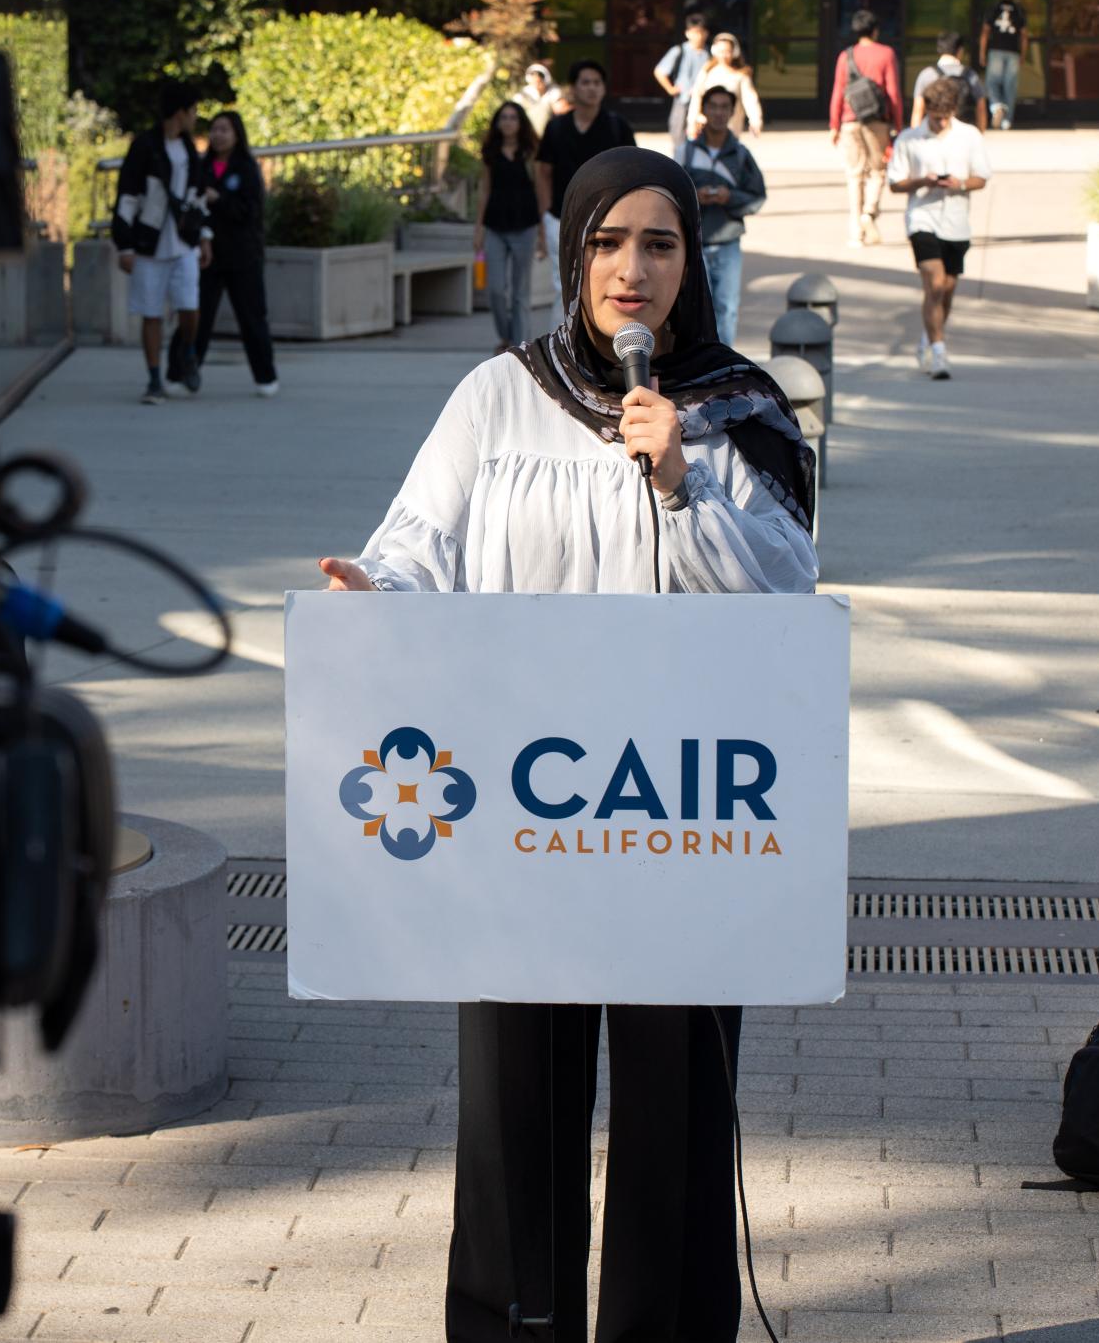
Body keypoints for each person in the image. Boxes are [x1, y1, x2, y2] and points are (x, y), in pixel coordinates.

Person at [316, 145, 816, 1342]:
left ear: (692, 262)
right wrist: (374, 595)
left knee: (673, 1110)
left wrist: (682, 485)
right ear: (570, 254)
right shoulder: (500, 395)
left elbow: (790, 594)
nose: (631, 270)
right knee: (515, 1104)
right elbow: (420, 539)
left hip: (677, 812)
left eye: (659, 244)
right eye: (606, 243)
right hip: (523, 815)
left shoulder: (738, 405)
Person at [112, 79, 214, 405]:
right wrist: (125, 246)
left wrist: (205, 236)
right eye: (193, 110)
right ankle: (154, 379)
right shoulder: (145, 146)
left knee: (190, 307)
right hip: (149, 244)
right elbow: (127, 196)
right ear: (180, 112)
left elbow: (198, 194)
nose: (196, 117)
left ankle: (187, 352)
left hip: (184, 242)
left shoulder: (188, 149)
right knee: (151, 312)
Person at [888, 76, 992, 380]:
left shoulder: (969, 136)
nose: (941, 122)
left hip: (957, 221)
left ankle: (928, 339)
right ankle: (939, 351)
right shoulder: (909, 138)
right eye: (936, 117)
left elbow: (982, 177)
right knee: (933, 284)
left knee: (946, 290)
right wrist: (923, 181)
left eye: (946, 117)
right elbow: (895, 182)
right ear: (927, 111)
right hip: (922, 216)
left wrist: (958, 182)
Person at [535, 61, 634, 314]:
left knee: (602, 287)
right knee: (564, 287)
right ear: (574, 88)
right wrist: (544, 216)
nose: (591, 88)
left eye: (597, 83)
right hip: (561, 217)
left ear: (603, 89)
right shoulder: (557, 127)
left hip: (607, 221)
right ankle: (561, 348)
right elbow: (543, 172)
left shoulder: (616, 126)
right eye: (585, 82)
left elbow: (633, 172)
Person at [194, 110, 279, 397]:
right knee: (197, 317)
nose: (218, 135)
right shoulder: (202, 167)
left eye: (224, 130)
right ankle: (183, 373)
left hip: (243, 255)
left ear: (236, 134)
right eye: (214, 129)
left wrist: (220, 200)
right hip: (208, 255)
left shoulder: (246, 167)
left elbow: (250, 211)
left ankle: (265, 377)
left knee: (252, 317)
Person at [680, 84, 767, 346]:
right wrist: (696, 196)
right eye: (713, 106)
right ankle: (697, 363)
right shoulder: (687, 151)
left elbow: (757, 197)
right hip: (695, 243)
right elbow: (669, 196)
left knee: (727, 309)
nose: (718, 113)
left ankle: (724, 365)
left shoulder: (740, 155)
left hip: (729, 242)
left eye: (724, 107)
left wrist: (731, 198)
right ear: (704, 110)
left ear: (732, 112)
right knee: (694, 310)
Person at [472, 100, 542, 352]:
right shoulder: (491, 151)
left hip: (525, 226)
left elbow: (538, 191)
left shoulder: (531, 151)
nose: (508, 122)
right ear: (497, 122)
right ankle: (505, 335)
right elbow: (485, 190)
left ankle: (518, 346)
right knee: (495, 290)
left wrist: (543, 235)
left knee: (521, 292)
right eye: (504, 117)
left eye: (513, 117)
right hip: (495, 227)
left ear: (520, 122)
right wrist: (478, 228)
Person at [829, 9, 903, 248]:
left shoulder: (845, 56)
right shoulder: (886, 54)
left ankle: (855, 233)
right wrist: (898, 124)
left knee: (854, 175)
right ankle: (869, 213)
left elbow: (838, 91)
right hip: (877, 121)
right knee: (878, 171)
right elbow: (893, 92)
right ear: (875, 30)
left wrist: (834, 124)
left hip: (850, 121)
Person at [686, 31, 764, 143]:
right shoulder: (707, 71)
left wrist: (756, 120)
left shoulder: (741, 75)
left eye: (728, 51)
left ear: (734, 52)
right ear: (714, 51)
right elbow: (697, 96)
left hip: (731, 127)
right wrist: (692, 120)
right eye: (721, 51)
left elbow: (750, 99)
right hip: (705, 127)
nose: (724, 55)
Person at [653, 13, 712, 158]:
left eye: (700, 32)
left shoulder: (710, 54)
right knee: (679, 138)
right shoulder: (679, 51)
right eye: (694, 32)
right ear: (687, 33)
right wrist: (670, 88)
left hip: (703, 103)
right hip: (683, 101)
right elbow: (659, 71)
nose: (698, 36)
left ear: (706, 33)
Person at [911, 30, 988, 129]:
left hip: (935, 133)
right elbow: (981, 107)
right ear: (960, 50)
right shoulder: (970, 75)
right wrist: (980, 134)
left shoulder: (927, 74)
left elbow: (918, 110)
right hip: (963, 133)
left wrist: (915, 136)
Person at [979, 0, 1029, 130]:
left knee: (992, 82)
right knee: (1010, 86)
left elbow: (985, 32)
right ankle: (1007, 121)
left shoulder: (994, 8)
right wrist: (1023, 54)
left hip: (995, 50)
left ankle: (996, 106)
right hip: (1013, 51)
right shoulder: (1019, 9)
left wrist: (982, 53)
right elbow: (1024, 35)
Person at [515, 62, 569, 135]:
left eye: (540, 76)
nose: (537, 80)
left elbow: (561, 110)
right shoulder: (524, 93)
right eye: (533, 75)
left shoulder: (554, 91)